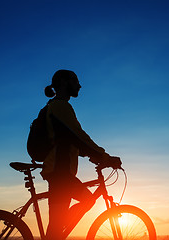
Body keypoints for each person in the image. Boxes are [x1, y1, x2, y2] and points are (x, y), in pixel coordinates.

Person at [40, 69, 121, 240]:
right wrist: (104, 157)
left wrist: (94, 156)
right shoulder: (60, 107)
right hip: (60, 173)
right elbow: (79, 137)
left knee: (55, 230)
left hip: (59, 173)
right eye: (75, 81)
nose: (79, 85)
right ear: (64, 82)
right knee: (85, 201)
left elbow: (72, 141)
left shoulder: (56, 106)